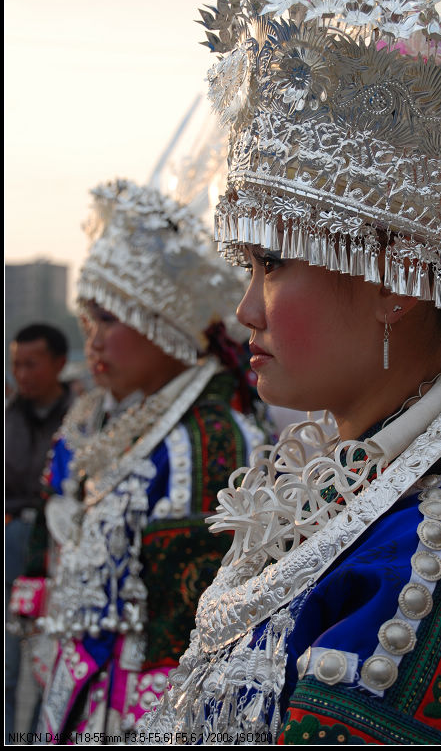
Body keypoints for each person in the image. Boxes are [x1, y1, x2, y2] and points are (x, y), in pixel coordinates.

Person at [141, 0, 441, 746]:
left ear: (392, 284)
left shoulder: (436, 560)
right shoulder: (344, 495)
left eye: (274, 265)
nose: (246, 312)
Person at [9, 180, 268, 743]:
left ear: (165, 326)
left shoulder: (213, 442)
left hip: (139, 713)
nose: (92, 339)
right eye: (88, 318)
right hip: (75, 682)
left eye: (108, 318)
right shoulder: (102, 421)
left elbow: (199, 634)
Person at [6, 323, 73, 743]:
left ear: (59, 363)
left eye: (32, 364)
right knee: (7, 666)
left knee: (52, 664)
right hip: (11, 543)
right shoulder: (8, 417)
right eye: (16, 364)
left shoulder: (83, 420)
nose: (22, 374)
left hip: (58, 552)